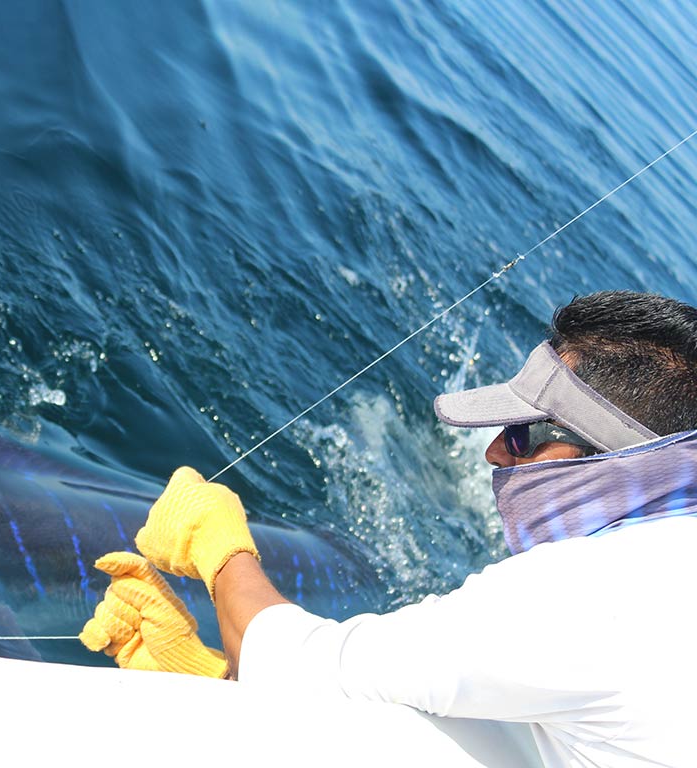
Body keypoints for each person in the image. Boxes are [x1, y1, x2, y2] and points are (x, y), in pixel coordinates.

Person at [79, 291, 697, 767]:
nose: (494, 456)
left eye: (525, 434)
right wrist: (216, 677)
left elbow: (295, 669)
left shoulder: (582, 599)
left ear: (617, 458)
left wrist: (218, 549)